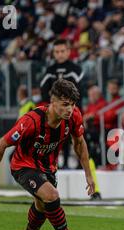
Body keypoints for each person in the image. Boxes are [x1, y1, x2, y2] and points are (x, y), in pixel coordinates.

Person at [0, 79, 95, 230]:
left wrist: (89, 175)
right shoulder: (31, 121)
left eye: (72, 105)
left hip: (48, 167)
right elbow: (1, 145)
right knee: (51, 196)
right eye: (65, 104)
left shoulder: (74, 117)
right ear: (52, 101)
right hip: (23, 165)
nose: (69, 109)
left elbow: (80, 143)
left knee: (43, 205)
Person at [40, 38, 84, 169]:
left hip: (72, 109)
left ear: (68, 52)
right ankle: (57, 162)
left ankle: (78, 163)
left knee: (76, 137)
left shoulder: (75, 69)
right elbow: (43, 90)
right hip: (54, 111)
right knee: (55, 136)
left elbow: (79, 91)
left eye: (62, 51)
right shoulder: (50, 70)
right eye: (56, 52)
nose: (59, 54)